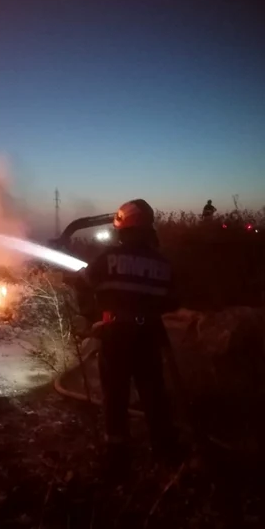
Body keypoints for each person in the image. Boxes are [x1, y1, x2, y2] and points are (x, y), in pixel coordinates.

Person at [75, 199, 181, 467]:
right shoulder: (163, 264)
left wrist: (90, 317)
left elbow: (84, 284)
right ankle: (165, 449)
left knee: (115, 393)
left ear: (123, 228)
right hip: (149, 334)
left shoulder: (107, 258)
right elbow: (172, 301)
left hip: (116, 334)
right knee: (153, 390)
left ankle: (117, 453)